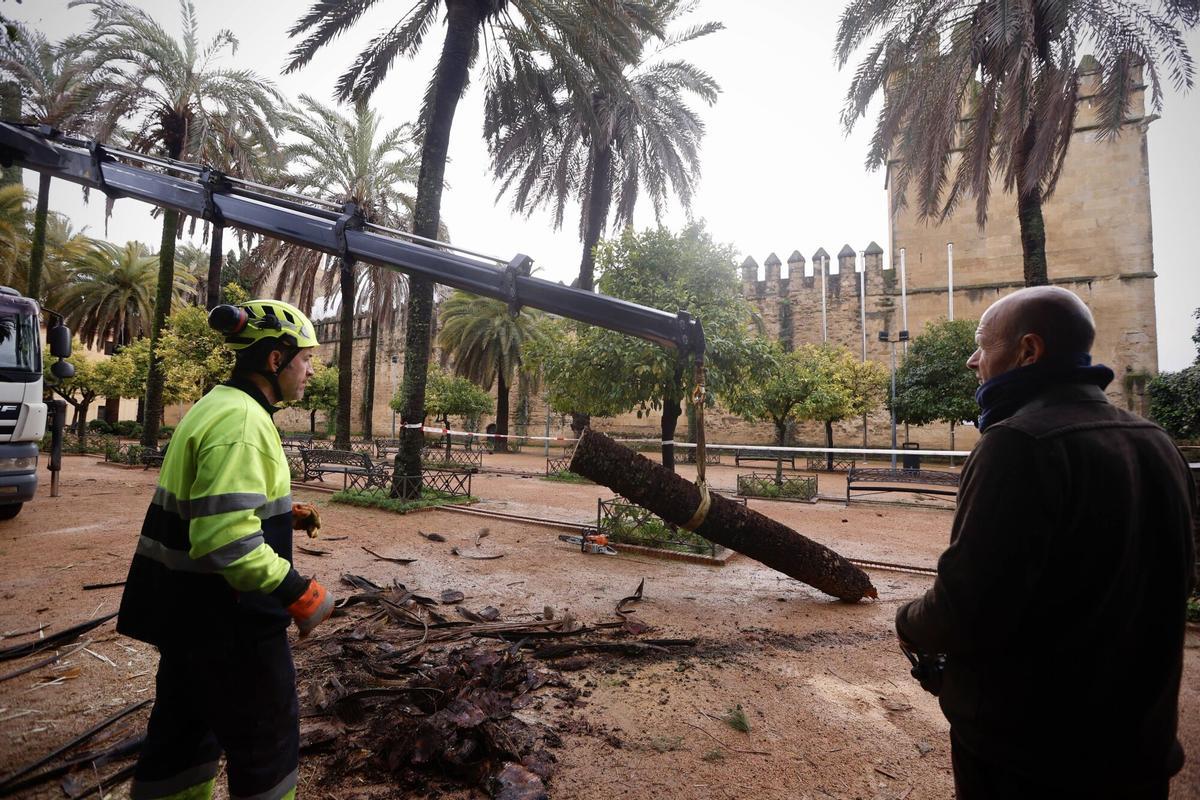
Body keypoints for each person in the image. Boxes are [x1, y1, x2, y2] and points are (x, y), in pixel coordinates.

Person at [896, 286, 1196, 798]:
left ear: (1028, 352)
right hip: (1137, 750)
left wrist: (907, 621)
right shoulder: (1157, 442)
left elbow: (967, 605)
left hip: (1031, 756)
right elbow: (1180, 577)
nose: (973, 361)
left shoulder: (1017, 444)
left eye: (981, 344)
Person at [117, 299, 335, 800]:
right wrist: (302, 594)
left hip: (186, 620)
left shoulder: (215, 406)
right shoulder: (242, 425)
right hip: (233, 628)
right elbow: (227, 543)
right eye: (304, 359)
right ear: (275, 361)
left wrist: (282, 514)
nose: (310, 372)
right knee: (267, 756)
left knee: (180, 744)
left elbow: (207, 508)